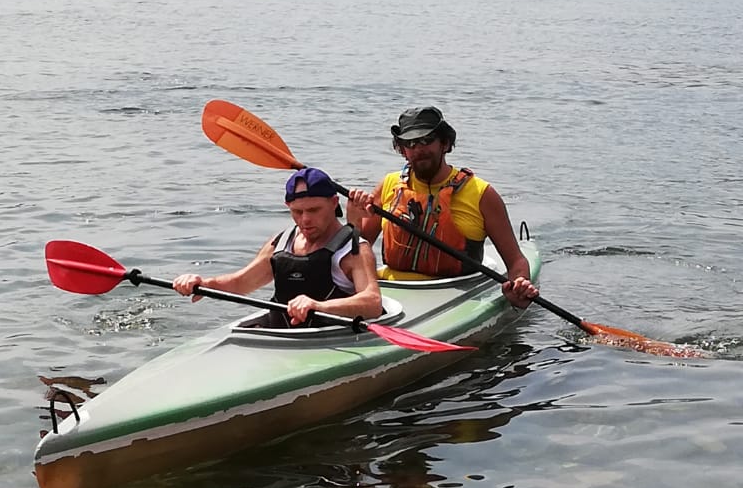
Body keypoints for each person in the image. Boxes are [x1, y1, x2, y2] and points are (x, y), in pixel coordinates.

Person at [347, 105, 540, 307]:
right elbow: (356, 251)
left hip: (454, 292)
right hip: (393, 289)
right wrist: (353, 222)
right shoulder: (389, 185)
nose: (419, 150)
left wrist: (520, 284)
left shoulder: (482, 194)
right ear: (403, 150)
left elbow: (516, 261)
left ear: (445, 144)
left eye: (427, 140)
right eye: (410, 143)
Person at [173, 166, 382, 328]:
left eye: (314, 210)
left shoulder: (353, 249)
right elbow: (241, 283)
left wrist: (319, 306)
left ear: (334, 203)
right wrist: (205, 284)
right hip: (280, 337)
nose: (306, 220)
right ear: (287, 207)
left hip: (332, 340)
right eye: (297, 212)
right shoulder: (281, 243)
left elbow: (372, 303)